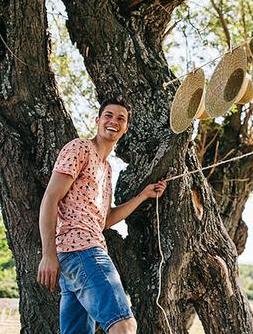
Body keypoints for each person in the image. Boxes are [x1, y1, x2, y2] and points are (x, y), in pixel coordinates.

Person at [36, 97, 167, 334]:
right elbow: (50, 198)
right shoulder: (80, 148)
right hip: (82, 250)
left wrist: (143, 197)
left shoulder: (106, 169)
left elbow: (104, 220)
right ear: (97, 120)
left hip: (77, 259)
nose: (113, 121)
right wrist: (48, 254)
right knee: (124, 326)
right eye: (108, 115)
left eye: (121, 118)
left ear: (125, 128)